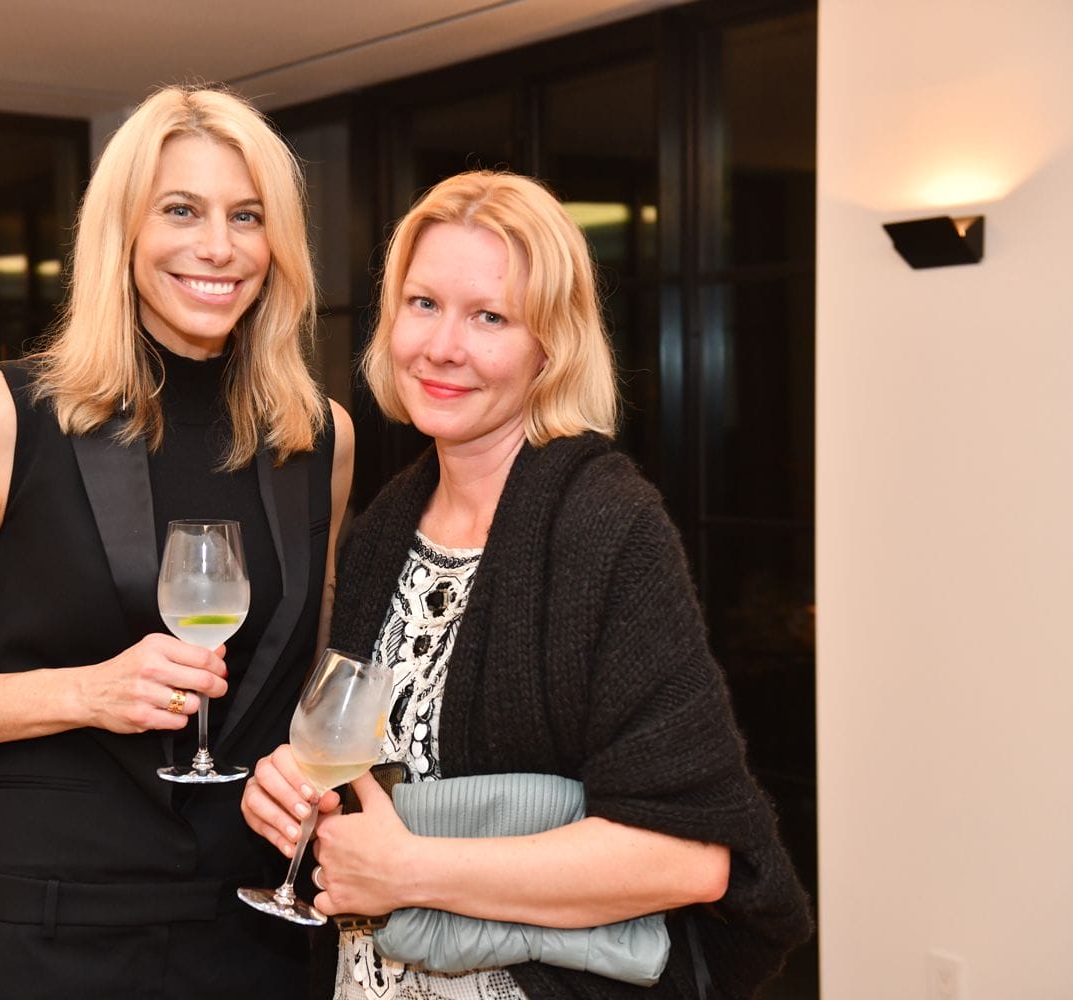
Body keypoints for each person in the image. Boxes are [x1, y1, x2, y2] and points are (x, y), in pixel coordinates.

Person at [0, 84, 354, 999]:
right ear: (123, 231)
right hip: (57, 931)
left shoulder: (318, 437)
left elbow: (311, 675)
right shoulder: (6, 415)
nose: (218, 246)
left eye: (247, 216)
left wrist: (310, 774)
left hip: (256, 929)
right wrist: (87, 691)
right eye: (181, 210)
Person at [241, 171, 811, 999]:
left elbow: (690, 858)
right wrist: (295, 791)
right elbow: (378, 783)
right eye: (423, 303)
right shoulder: (385, 528)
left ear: (553, 346)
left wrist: (413, 869)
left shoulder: (607, 530)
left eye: (490, 317)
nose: (442, 347)